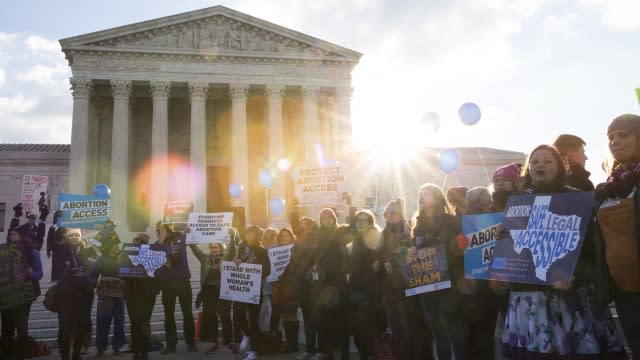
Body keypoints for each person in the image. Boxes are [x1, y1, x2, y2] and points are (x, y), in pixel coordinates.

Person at [501, 144, 624, 358]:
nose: (540, 165)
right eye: (535, 161)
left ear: (559, 167)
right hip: (528, 301)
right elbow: (516, 250)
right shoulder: (518, 203)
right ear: (528, 169)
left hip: (570, 302)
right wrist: (502, 236)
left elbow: (590, 247)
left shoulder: (575, 199)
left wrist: (576, 275)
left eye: (548, 161)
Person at [594, 114, 640, 357]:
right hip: (625, 294)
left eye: (623, 135)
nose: (615, 141)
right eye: (611, 137)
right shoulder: (608, 188)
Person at [411, 183, 462, 360]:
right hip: (427, 286)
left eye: (426, 194)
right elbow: (416, 250)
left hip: (450, 284)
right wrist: (412, 252)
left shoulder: (451, 221)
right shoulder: (418, 225)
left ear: (437, 197)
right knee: (437, 332)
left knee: (452, 330)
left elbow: (461, 249)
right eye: (420, 195)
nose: (422, 198)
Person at [374, 198, 423, 360]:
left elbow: (416, 253)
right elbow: (378, 258)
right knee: (398, 328)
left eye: (394, 213)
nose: (390, 216)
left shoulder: (409, 231)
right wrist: (381, 263)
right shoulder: (381, 234)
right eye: (387, 213)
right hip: (390, 290)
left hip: (411, 286)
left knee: (413, 327)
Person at [155, 221, 198, 354]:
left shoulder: (181, 237)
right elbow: (155, 261)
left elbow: (196, 236)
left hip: (182, 281)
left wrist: (192, 228)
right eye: (157, 230)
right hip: (167, 283)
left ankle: (191, 343)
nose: (158, 232)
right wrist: (161, 242)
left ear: (168, 229)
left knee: (187, 313)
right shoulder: (157, 245)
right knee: (169, 315)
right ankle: (171, 345)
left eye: (161, 229)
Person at [0, 228, 43, 360]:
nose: (11, 236)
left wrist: (30, 274)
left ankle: (19, 356)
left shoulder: (32, 252)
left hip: (23, 297)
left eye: (14, 234)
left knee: (21, 328)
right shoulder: (2, 252)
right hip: (6, 296)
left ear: (22, 237)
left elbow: (39, 274)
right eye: (10, 234)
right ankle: (6, 354)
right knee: (6, 327)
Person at [189, 234, 234, 354]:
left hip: (223, 291)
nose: (214, 249)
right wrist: (190, 236)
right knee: (211, 319)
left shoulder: (226, 258)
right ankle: (215, 344)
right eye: (212, 247)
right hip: (208, 292)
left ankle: (230, 343)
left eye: (216, 247)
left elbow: (233, 250)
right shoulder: (205, 258)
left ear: (221, 248)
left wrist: (233, 236)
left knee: (225, 317)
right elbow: (194, 249)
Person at [348, 209, 383, 360]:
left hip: (371, 290)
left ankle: (373, 355)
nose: (360, 222)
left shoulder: (376, 238)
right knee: (357, 328)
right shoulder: (354, 241)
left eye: (364, 220)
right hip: (355, 289)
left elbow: (380, 260)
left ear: (370, 222)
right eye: (358, 220)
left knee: (370, 328)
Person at [55, 228, 94, 360]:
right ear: (66, 237)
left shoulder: (87, 251)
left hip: (84, 293)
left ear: (81, 237)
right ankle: (65, 354)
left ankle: (76, 354)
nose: (74, 237)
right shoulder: (61, 250)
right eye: (71, 235)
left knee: (82, 325)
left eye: (77, 235)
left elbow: (94, 268)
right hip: (66, 294)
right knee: (65, 326)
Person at [233, 225, 270, 360]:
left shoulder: (262, 251)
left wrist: (253, 268)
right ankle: (248, 335)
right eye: (247, 233)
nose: (249, 236)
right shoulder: (241, 249)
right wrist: (236, 262)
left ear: (257, 236)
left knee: (254, 320)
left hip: (254, 289)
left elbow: (267, 269)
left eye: (252, 234)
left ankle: (254, 350)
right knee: (237, 317)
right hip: (240, 289)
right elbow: (234, 266)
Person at [89, 225, 125, 357]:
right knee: (103, 321)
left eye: (117, 244)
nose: (117, 247)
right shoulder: (101, 259)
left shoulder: (122, 257)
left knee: (119, 322)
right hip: (105, 296)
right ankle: (100, 348)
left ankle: (117, 347)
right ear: (108, 247)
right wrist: (95, 283)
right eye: (114, 245)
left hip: (120, 295)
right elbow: (92, 275)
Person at [123, 233, 157, 360]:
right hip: (131, 294)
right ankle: (137, 351)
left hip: (147, 294)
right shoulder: (125, 256)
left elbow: (156, 273)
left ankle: (144, 351)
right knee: (134, 323)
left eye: (140, 243)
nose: (136, 245)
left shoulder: (151, 256)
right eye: (134, 243)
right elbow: (121, 273)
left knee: (144, 322)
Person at [270, 228, 299, 353]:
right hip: (278, 287)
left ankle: (293, 343)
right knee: (284, 316)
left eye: (286, 236)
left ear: (291, 237)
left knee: (291, 315)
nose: (284, 238)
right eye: (281, 236)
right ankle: (288, 343)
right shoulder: (273, 252)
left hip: (291, 287)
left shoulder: (296, 251)